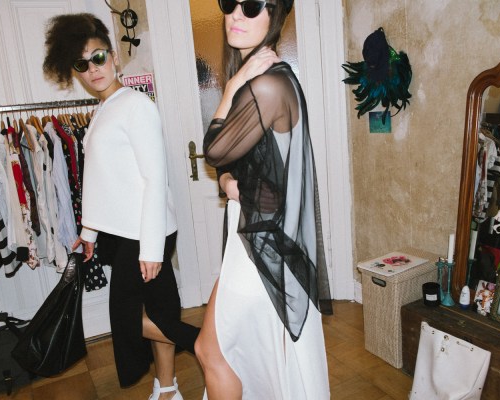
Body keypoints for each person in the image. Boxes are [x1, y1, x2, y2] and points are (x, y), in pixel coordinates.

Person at [42, 14, 199, 400]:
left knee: (127, 318)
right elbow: (101, 180)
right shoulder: (104, 109)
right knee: (160, 311)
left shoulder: (135, 105)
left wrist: (151, 248)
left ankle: (209, 347)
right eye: (82, 64)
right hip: (127, 230)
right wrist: (89, 232)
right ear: (75, 71)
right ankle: (168, 389)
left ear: (113, 57)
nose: (93, 69)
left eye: (98, 57)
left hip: (145, 232)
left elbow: (154, 179)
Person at [194, 1, 333, 399]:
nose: (236, 14)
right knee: (249, 356)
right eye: (229, 3)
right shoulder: (260, 80)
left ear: (275, 15)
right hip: (254, 237)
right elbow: (240, 165)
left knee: (212, 351)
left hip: (263, 244)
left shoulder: (267, 85)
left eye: (252, 5)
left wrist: (233, 85)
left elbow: (214, 150)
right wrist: (230, 183)